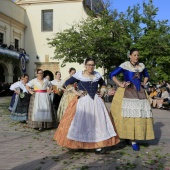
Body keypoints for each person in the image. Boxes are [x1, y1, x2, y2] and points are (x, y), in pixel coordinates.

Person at [54, 58, 119, 154]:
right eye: (89, 65)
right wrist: (76, 92)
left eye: (92, 65)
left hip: (96, 102)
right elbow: (67, 83)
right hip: (83, 101)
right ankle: (80, 144)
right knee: (82, 122)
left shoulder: (97, 75)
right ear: (85, 65)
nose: (91, 66)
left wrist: (102, 91)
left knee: (98, 123)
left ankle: (98, 146)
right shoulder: (79, 75)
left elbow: (103, 84)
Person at [110, 48, 155, 151]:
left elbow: (146, 75)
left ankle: (134, 139)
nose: (136, 57)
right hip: (128, 92)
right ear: (129, 56)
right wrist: (121, 84)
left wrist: (144, 82)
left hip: (140, 93)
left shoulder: (142, 66)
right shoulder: (125, 65)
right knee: (128, 116)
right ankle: (128, 137)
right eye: (134, 55)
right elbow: (112, 75)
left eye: (137, 55)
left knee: (138, 116)